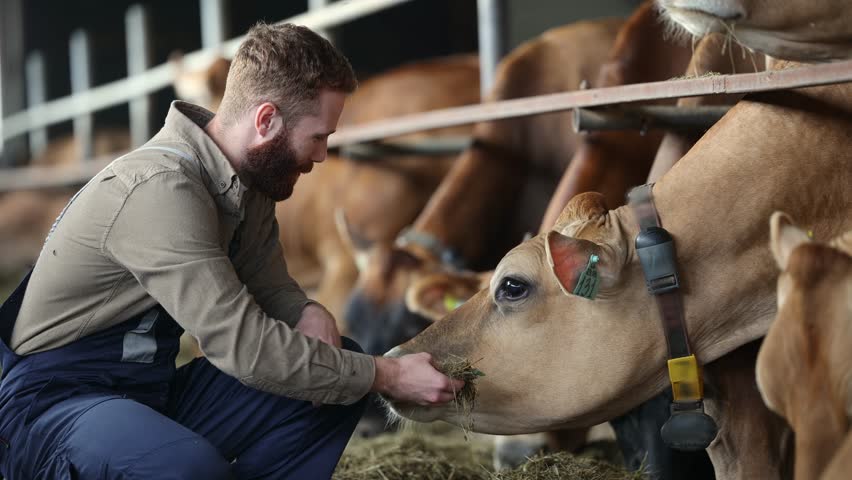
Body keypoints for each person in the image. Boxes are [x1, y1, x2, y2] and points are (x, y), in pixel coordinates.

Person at [0, 22, 463, 480]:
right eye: (318, 136)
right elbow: (241, 345)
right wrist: (389, 376)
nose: (322, 155)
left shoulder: (248, 185)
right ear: (266, 121)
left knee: (335, 377)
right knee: (187, 467)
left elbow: (270, 283)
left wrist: (306, 309)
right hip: (54, 406)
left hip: (144, 393)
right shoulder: (160, 191)